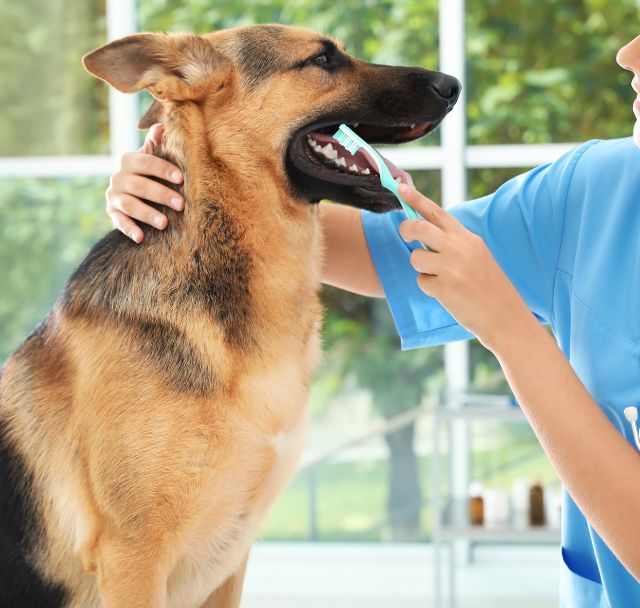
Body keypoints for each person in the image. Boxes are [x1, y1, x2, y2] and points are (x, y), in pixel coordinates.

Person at [106, 34, 640, 606]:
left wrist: (510, 332)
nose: (628, 54)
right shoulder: (599, 191)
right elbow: (382, 249)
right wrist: (180, 190)